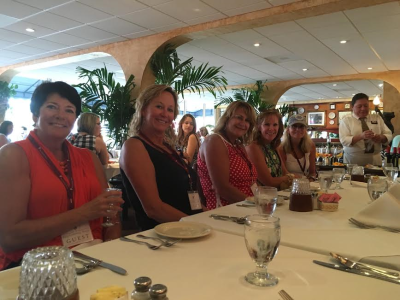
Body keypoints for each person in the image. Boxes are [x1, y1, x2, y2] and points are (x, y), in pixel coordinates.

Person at [0, 81, 123, 271]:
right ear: (34, 114)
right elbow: (9, 238)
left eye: (69, 110)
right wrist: (84, 213)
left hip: (96, 257)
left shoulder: (88, 157)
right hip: (39, 268)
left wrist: (112, 253)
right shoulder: (14, 155)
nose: (60, 115)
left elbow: (111, 213)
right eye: (52, 107)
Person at [120, 85, 202, 230]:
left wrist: (209, 217)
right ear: (144, 110)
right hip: (163, 236)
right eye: (159, 106)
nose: (165, 114)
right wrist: (199, 225)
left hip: (188, 229)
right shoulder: (134, 146)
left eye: (170, 110)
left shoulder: (166, 146)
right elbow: (153, 209)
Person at [197, 101, 258, 210]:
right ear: (227, 118)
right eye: (239, 117)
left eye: (247, 120)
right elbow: (222, 188)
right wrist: (256, 203)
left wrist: (264, 198)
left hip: (245, 207)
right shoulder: (215, 141)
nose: (243, 123)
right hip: (224, 211)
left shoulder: (238, 145)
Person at [339, 93, 392, 166]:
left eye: (365, 106)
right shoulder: (346, 121)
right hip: (353, 159)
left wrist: (381, 138)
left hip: (375, 158)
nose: (363, 108)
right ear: (352, 107)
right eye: (359, 106)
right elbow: (343, 140)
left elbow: (388, 134)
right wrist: (360, 136)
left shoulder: (377, 118)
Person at [246, 110, 294, 190]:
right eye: (267, 124)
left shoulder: (273, 146)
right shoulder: (253, 146)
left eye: (275, 125)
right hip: (262, 198)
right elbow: (269, 182)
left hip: (279, 195)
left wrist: (291, 177)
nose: (271, 128)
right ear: (259, 127)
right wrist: (291, 177)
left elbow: (285, 172)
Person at [278, 115, 317, 180]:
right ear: (288, 129)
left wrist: (311, 179)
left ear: (305, 130)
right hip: (288, 185)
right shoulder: (282, 148)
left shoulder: (311, 146)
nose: (298, 129)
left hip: (305, 184)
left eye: (301, 127)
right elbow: (283, 173)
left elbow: (312, 172)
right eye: (294, 126)